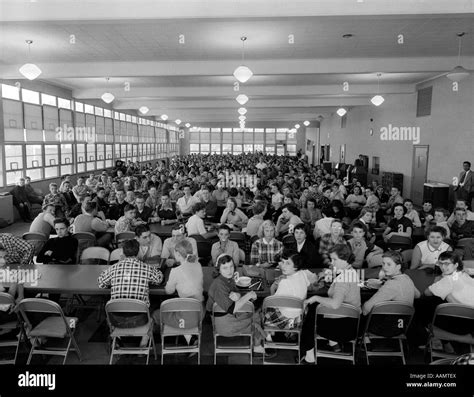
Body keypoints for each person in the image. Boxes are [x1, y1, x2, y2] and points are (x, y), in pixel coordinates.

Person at [302, 244, 361, 363]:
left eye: (334, 259)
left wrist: (315, 297)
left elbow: (334, 304)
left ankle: (309, 356)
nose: (332, 263)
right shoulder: (351, 272)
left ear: (345, 258)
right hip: (353, 323)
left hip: (340, 328)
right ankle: (333, 344)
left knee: (310, 314)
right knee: (315, 307)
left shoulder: (342, 280)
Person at [98, 239, 163, 346]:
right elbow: (159, 279)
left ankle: (117, 337)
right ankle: (144, 341)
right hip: (140, 319)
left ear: (123, 253)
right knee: (154, 306)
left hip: (116, 319)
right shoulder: (146, 268)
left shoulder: (113, 268)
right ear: (138, 253)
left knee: (109, 306)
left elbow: (101, 283)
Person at [206, 254, 257, 341]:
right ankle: (258, 346)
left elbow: (236, 293)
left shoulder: (228, 279)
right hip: (223, 325)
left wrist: (238, 295)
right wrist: (249, 295)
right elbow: (231, 309)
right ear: (218, 269)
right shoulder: (219, 284)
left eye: (231, 266)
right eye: (225, 268)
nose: (229, 271)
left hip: (228, 318)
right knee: (257, 319)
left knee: (257, 314)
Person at [362, 251, 420, 316]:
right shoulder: (407, 278)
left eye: (389, 264)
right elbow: (418, 295)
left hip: (388, 321)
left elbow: (366, 309)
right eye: (383, 264)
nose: (384, 267)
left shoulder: (391, 284)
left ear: (398, 267)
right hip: (404, 320)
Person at [0, 245, 24, 327]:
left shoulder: (2, 269)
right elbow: (7, 303)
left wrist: (21, 296)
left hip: (5, 305)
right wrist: (13, 284)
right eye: (0, 257)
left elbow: (19, 279)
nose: (3, 261)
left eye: (4, 257)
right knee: (32, 312)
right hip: (3, 310)